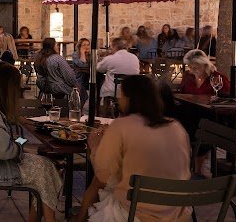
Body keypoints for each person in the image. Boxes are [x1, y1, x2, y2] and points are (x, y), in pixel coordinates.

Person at [78, 75, 191, 222]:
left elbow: (103, 174)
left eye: (121, 95)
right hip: (175, 213)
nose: (119, 99)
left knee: (98, 184)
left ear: (129, 99)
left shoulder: (121, 126)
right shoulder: (176, 127)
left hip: (134, 214)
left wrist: (94, 147)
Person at [0, 62, 61, 222]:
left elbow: (5, 142)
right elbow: (5, 151)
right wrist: (22, 144)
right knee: (44, 170)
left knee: (48, 166)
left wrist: (19, 137)